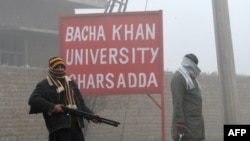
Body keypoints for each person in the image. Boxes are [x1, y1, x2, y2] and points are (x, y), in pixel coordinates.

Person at [28, 56, 100, 141]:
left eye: (62, 67)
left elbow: (81, 105)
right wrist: (53, 107)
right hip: (59, 130)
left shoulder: (71, 83)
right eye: (57, 67)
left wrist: (91, 115)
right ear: (51, 68)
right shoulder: (44, 85)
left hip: (76, 128)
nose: (60, 69)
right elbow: (33, 100)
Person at [170, 53, 205, 141]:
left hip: (196, 126)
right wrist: (180, 122)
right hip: (186, 128)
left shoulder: (192, 78)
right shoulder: (179, 78)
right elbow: (177, 102)